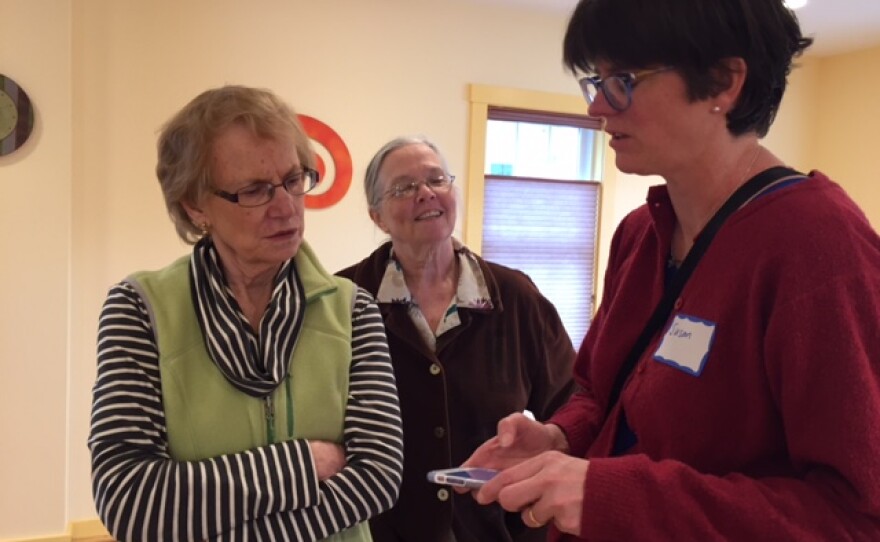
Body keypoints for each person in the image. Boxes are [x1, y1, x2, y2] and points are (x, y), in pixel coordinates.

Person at [462, 0, 880, 540]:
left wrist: (613, 496)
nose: (597, 109)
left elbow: (854, 516)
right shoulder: (640, 234)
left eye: (623, 81)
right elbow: (597, 391)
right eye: (598, 81)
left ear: (725, 82)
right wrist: (558, 438)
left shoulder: (819, 246)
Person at [88, 85, 404, 541]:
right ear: (195, 205)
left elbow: (378, 475)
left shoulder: (352, 309)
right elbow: (131, 500)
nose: (286, 208)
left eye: (294, 180)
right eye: (254, 190)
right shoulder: (140, 309)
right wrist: (302, 464)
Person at [336, 135, 576, 542]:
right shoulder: (343, 301)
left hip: (501, 531)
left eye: (436, 180)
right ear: (377, 216)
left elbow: (574, 407)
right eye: (405, 187)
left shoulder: (516, 298)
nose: (426, 193)